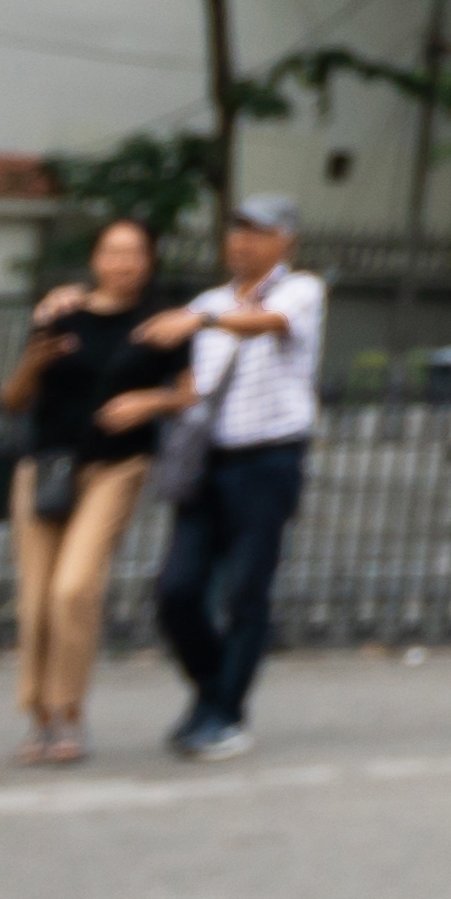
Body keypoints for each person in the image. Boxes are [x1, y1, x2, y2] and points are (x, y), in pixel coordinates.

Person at [138, 191, 324, 762]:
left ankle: (223, 712)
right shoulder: (209, 302)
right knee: (177, 589)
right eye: (236, 230)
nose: (241, 241)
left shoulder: (300, 290)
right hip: (210, 460)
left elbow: (266, 323)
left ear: (284, 241)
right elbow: (196, 386)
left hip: (269, 460)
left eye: (257, 231)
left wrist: (204, 319)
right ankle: (215, 689)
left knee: (247, 590)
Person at [0, 212, 174, 766]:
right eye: (111, 251)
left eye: (134, 253)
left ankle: (70, 712)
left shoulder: (158, 324)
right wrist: (33, 359)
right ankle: (39, 717)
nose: (122, 263)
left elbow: (193, 390)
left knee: (74, 589)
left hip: (115, 468)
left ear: (149, 263)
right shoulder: (59, 313)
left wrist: (152, 402)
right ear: (95, 259)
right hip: (46, 467)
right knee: (36, 600)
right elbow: (13, 400)